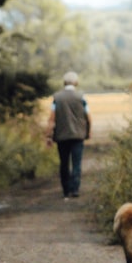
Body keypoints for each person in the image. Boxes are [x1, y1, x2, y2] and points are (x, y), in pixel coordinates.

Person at [46, 71, 92, 199]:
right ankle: (75, 189)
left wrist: (48, 136)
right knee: (76, 163)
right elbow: (88, 117)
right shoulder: (81, 97)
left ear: (64, 82)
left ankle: (66, 190)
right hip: (78, 136)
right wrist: (88, 132)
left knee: (64, 163)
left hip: (61, 136)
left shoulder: (57, 97)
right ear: (76, 82)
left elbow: (51, 119)